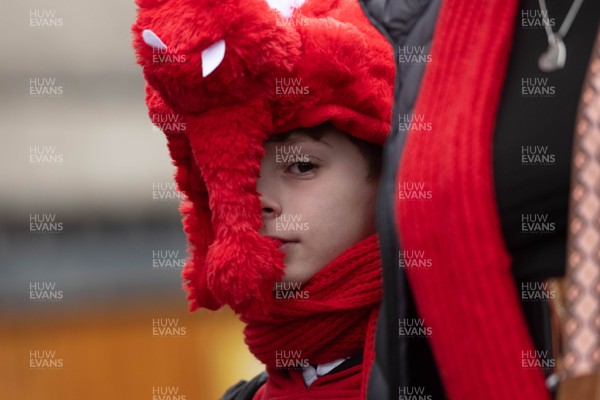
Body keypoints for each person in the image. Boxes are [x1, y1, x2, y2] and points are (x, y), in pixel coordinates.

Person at [131, 0, 395, 398]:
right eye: (236, 176)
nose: (259, 201)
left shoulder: (462, 371)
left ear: (393, 174)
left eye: (302, 166)